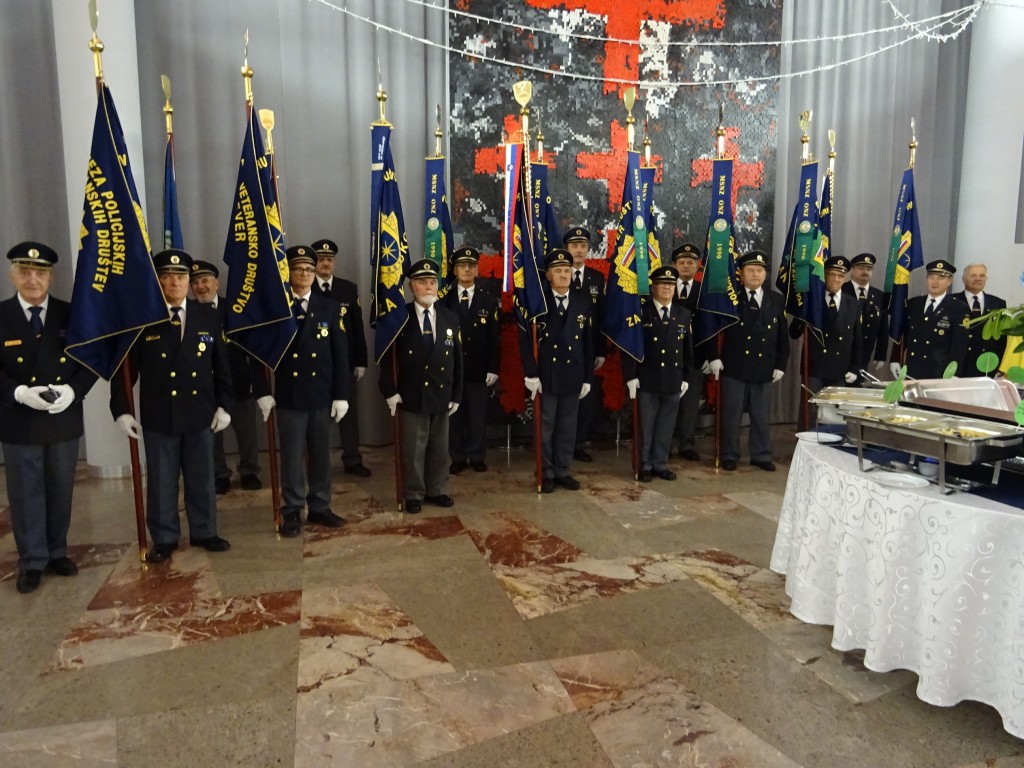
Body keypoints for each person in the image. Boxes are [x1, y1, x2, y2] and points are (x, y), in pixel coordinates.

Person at [110, 249, 233, 563]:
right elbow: (125, 368)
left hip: (200, 412)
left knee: (202, 477)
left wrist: (225, 405)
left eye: (180, 277)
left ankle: (205, 531)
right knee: (162, 480)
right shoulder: (144, 317)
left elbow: (222, 366)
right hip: (160, 413)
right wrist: (122, 408)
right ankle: (164, 537)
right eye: (167, 276)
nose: (175, 282)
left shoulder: (208, 315)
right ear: (159, 281)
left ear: (189, 281)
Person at [0, 242, 97, 593]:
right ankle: (32, 561)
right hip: (19, 419)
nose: (32, 279)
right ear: (12, 275)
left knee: (60, 489)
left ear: (50, 277)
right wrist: (17, 392)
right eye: (24, 272)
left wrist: (74, 390)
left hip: (61, 417)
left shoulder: (70, 314)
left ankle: (57, 551)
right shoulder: (1, 315)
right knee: (26, 494)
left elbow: (91, 359)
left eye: (39, 272)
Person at [254, 245, 350, 538]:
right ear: (289, 272)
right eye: (299, 269)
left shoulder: (329, 307)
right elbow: (258, 353)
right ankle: (292, 510)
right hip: (289, 396)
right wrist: (263, 391)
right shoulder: (276, 307)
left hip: (321, 395)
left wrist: (341, 395)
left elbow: (340, 355)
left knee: (321, 456)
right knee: (292, 457)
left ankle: (320, 506)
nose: (305, 274)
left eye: (309, 269)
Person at [380, 259, 463, 513]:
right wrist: (389, 390)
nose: (428, 287)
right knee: (413, 448)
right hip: (411, 394)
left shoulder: (449, 317)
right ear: (411, 287)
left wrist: (456, 394)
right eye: (422, 282)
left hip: (441, 393)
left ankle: (437, 489)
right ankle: (414, 492)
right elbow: (387, 359)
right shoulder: (399, 318)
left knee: (439, 446)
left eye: (432, 282)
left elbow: (458, 359)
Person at [520, 249, 595, 493]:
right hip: (547, 375)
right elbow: (525, 341)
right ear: (548, 275)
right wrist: (531, 373)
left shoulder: (582, 301)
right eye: (558, 270)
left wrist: (588, 377)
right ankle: (546, 471)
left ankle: (563, 469)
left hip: (573, 373)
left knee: (567, 426)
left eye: (567, 270)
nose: (563, 275)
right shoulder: (537, 301)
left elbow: (588, 342)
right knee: (546, 426)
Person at [707, 250, 789, 472]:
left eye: (760, 270)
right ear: (741, 274)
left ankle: (761, 455)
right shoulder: (730, 297)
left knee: (761, 415)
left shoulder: (776, 300)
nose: (755, 274)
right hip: (734, 365)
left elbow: (782, 336)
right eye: (750, 270)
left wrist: (781, 364)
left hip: (764, 367)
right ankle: (729, 454)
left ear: (765, 274)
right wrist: (714, 356)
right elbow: (714, 329)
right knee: (731, 415)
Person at [189, 260, 262, 493]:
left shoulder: (235, 310)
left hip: (238, 381)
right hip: (206, 385)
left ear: (216, 283)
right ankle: (219, 474)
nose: (201, 286)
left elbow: (251, 347)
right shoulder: (187, 313)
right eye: (195, 282)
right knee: (212, 435)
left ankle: (249, 471)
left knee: (246, 432)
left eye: (205, 280)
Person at [622, 265, 693, 482]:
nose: (667, 288)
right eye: (662, 284)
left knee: (666, 426)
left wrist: (686, 377)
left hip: (673, 379)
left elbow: (687, 349)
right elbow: (629, 347)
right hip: (647, 379)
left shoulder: (683, 314)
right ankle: (644, 464)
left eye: (671, 284)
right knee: (646, 426)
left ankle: (660, 463)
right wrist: (630, 376)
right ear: (653, 287)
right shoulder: (641, 312)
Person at [310, 238, 371, 477]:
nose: (325, 263)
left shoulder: (348, 289)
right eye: (321, 259)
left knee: (349, 415)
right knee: (317, 417)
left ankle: (352, 459)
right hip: (316, 364)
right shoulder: (304, 287)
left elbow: (356, 327)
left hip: (344, 362)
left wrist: (361, 361)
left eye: (329, 259)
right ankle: (318, 463)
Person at [442, 246, 499, 474]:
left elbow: (494, 338)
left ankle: (476, 455)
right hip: (452, 369)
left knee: (477, 416)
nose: (466, 269)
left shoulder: (487, 300)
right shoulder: (444, 300)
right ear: (455, 270)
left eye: (471, 266)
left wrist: (493, 368)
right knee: (454, 416)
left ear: (477, 270)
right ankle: (457, 456)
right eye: (462, 266)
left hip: (478, 369)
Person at [563, 227, 605, 462]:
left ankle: (578, 444)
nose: (579, 250)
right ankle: (563, 444)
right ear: (566, 249)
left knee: (585, 398)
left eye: (583, 246)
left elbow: (600, 317)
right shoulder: (558, 274)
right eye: (574, 246)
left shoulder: (596, 279)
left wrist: (600, 350)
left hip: (587, 349)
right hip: (563, 348)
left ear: (588, 249)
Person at [891, 260, 970, 380]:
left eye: (941, 278)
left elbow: (959, 345)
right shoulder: (914, 303)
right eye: (931, 277)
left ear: (949, 281)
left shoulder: (958, 308)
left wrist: (954, 372)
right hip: (912, 370)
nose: (935, 282)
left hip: (940, 373)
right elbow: (902, 333)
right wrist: (895, 358)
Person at [670, 242, 704, 461]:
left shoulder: (704, 291)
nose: (685, 266)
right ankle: (665, 444)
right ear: (674, 265)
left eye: (690, 262)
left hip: (695, 355)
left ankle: (687, 444)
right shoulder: (664, 287)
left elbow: (709, 326)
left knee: (691, 403)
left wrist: (710, 355)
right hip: (669, 356)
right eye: (681, 262)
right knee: (668, 403)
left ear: (697, 266)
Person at [951, 263, 1007, 375]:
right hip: (957, 367)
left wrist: (1000, 366)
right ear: (963, 279)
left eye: (982, 276)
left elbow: (1002, 339)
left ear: (986, 279)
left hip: (986, 366)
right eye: (973, 275)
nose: (978, 279)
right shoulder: (951, 301)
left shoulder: (998, 303)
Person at [841, 253, 889, 377]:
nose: (865, 272)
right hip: (842, 354)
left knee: (858, 386)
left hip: (865, 354)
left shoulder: (879, 296)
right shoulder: (841, 291)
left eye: (869, 268)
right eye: (861, 268)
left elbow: (883, 328)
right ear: (852, 269)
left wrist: (880, 355)